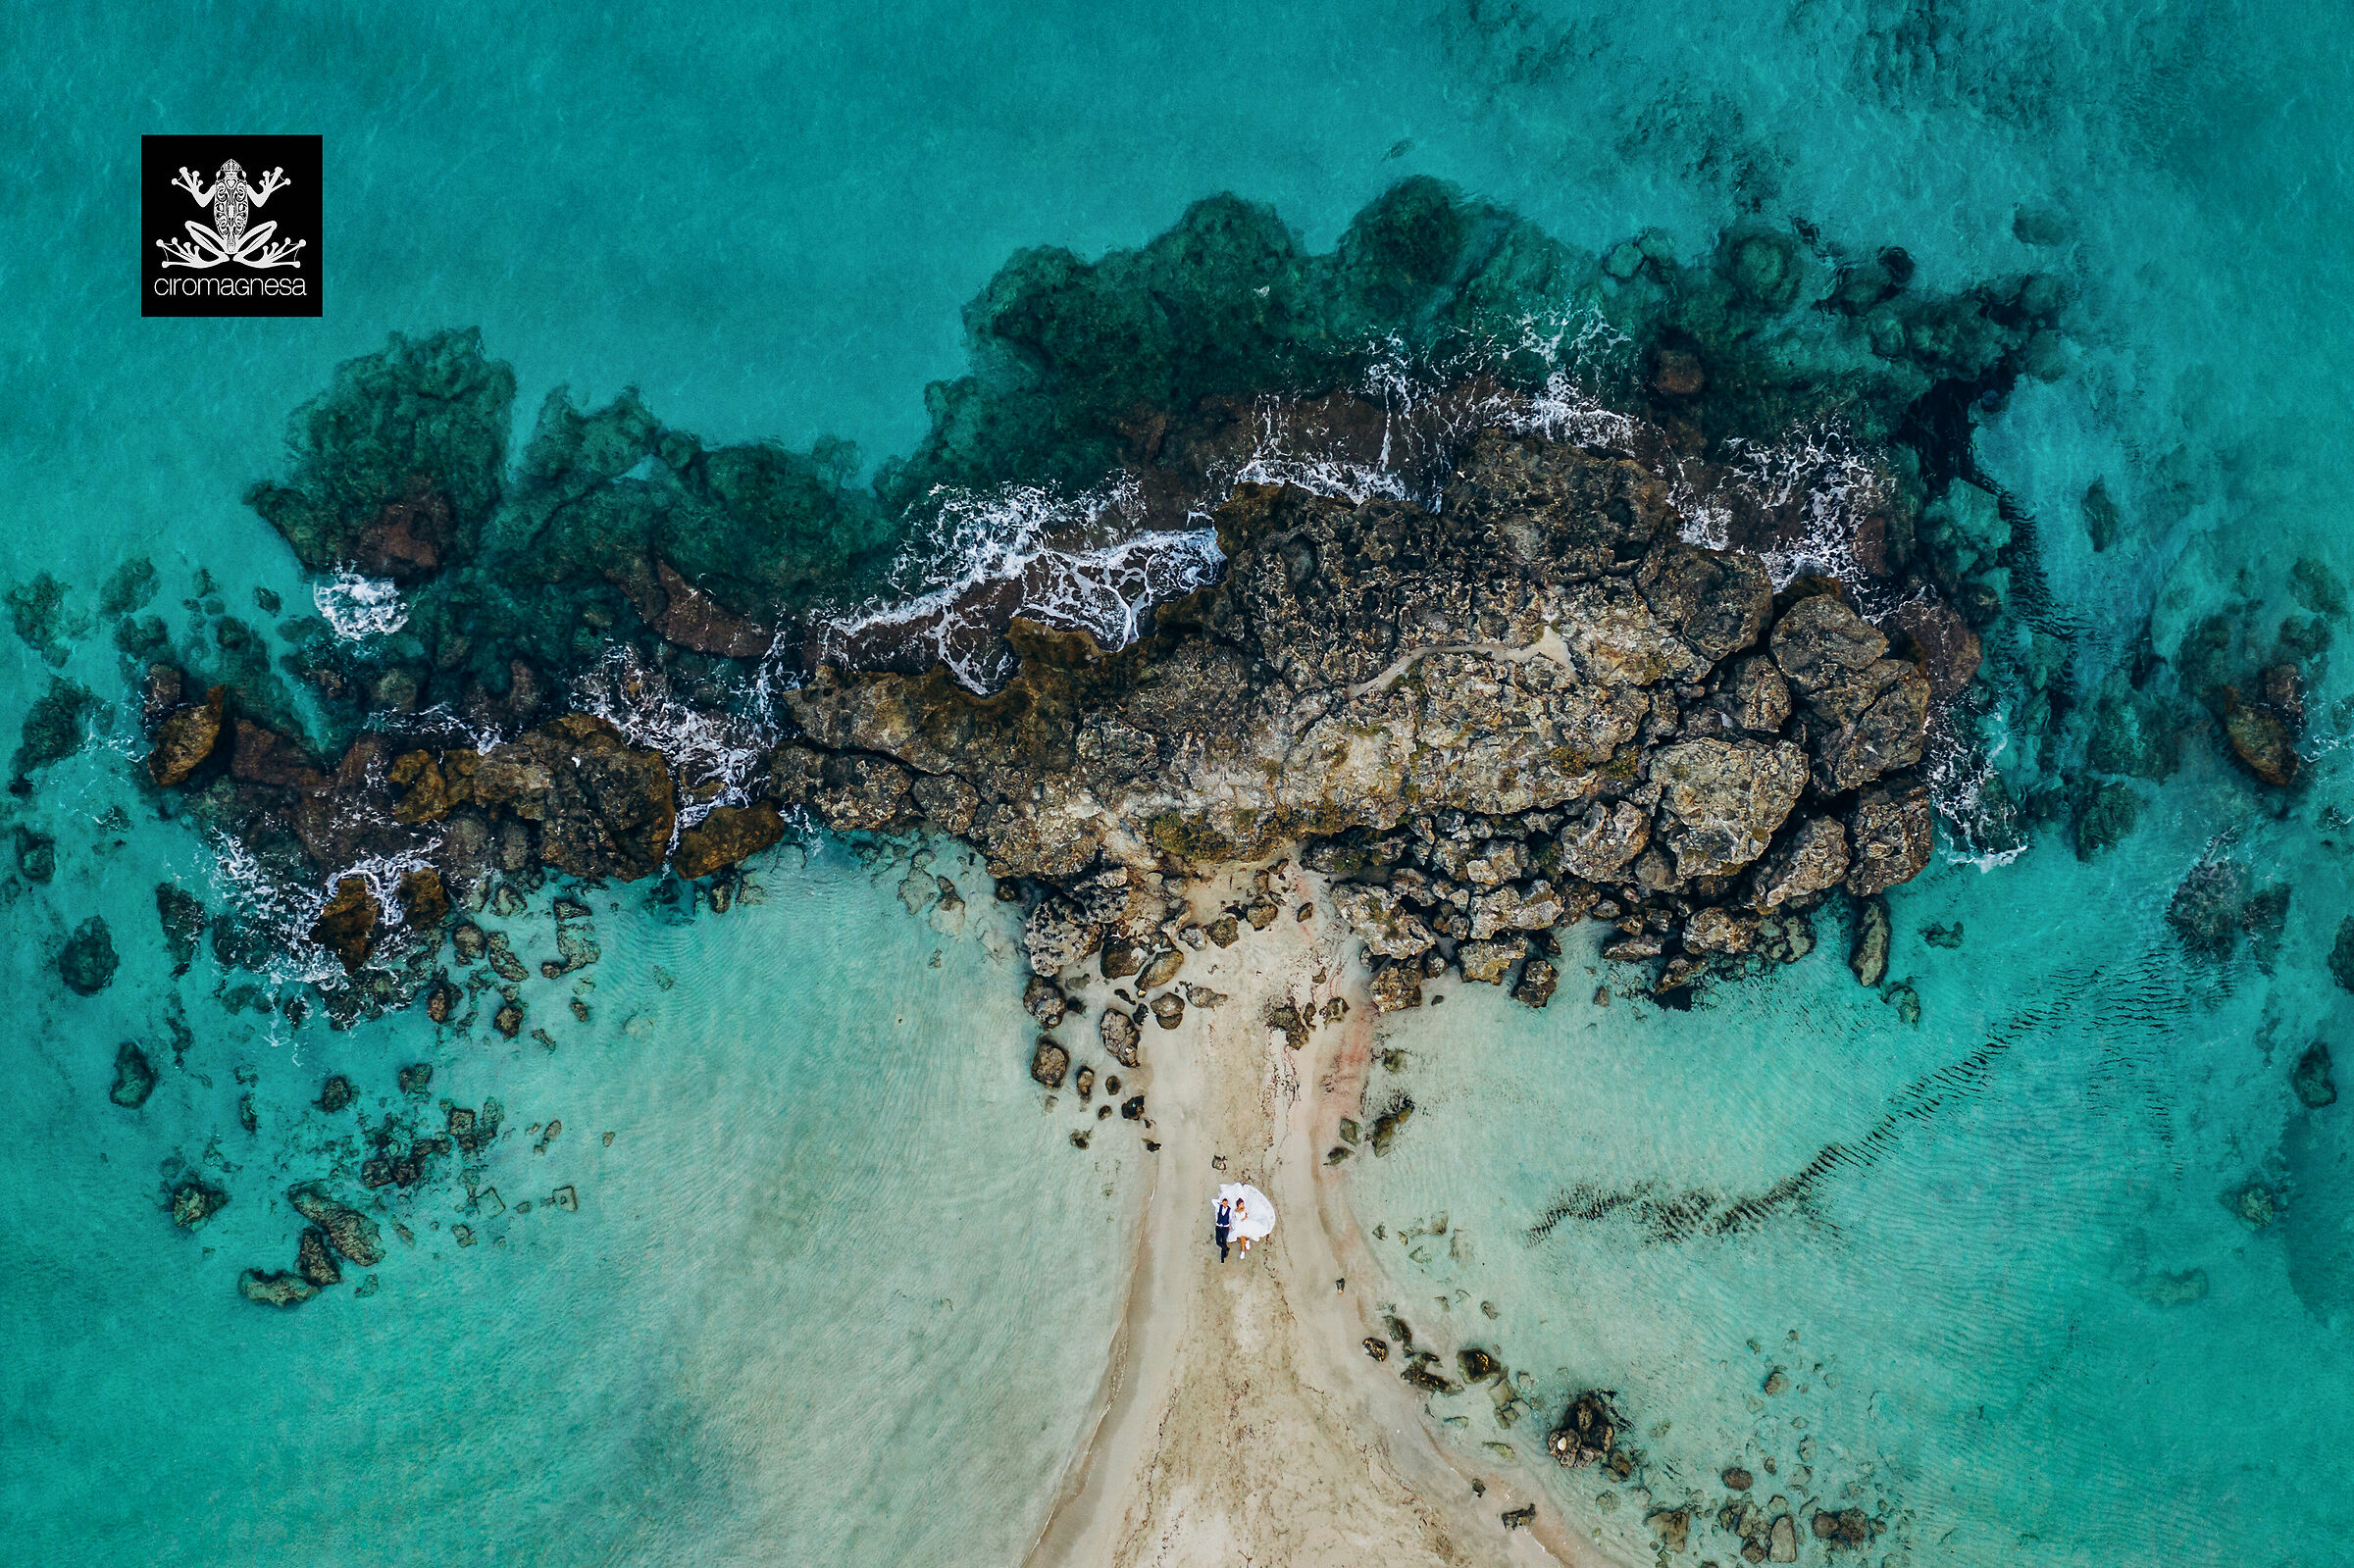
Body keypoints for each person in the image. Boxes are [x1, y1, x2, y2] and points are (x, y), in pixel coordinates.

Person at [1215, 1195, 1232, 1262]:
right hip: (1218, 1227)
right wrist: (1220, 1202)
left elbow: (1230, 1218)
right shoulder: (1219, 1207)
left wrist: (1230, 1225)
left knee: (1224, 1241)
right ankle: (1227, 1249)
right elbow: (1213, 1201)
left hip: (1225, 1227)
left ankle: (1222, 1257)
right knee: (1218, 1242)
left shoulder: (1229, 1210)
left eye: (1226, 1203)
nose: (1225, 1204)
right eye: (1224, 1203)